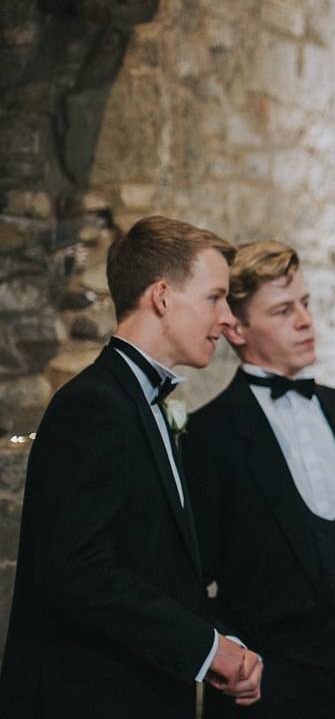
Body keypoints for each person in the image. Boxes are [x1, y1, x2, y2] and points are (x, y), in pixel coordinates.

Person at [0, 216, 263, 718]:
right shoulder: (93, 405)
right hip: (93, 699)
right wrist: (205, 648)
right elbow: (75, 570)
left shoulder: (144, 405)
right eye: (215, 297)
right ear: (162, 296)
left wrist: (219, 641)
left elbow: (154, 567)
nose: (228, 318)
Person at [183, 241, 335, 719]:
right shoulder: (206, 434)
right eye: (282, 310)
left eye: (306, 304)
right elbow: (194, 572)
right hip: (281, 684)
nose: (304, 320)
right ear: (236, 328)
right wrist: (230, 655)